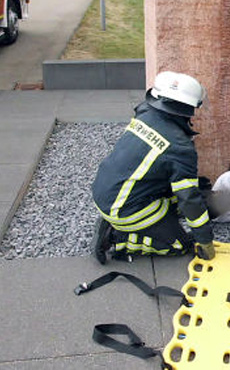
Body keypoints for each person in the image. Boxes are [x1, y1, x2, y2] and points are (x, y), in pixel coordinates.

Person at [91, 71, 216, 264]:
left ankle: (123, 223)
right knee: (179, 245)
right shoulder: (180, 146)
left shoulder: (145, 113)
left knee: (192, 193)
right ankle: (117, 238)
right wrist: (205, 240)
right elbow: (189, 199)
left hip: (106, 190)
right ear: (189, 108)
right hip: (125, 208)